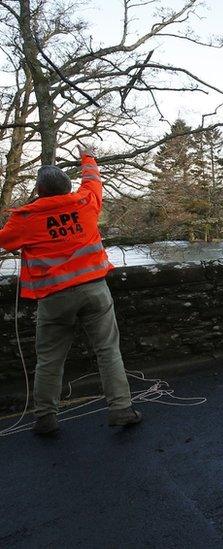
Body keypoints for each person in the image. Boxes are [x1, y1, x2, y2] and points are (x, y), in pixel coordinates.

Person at [0, 145, 141, 435]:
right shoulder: (85, 203)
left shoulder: (25, 218)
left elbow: (4, 241)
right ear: (67, 187)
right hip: (94, 289)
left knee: (50, 357)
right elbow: (92, 180)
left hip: (55, 298)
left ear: (39, 190)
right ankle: (121, 408)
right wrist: (87, 155)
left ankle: (46, 418)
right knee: (108, 350)